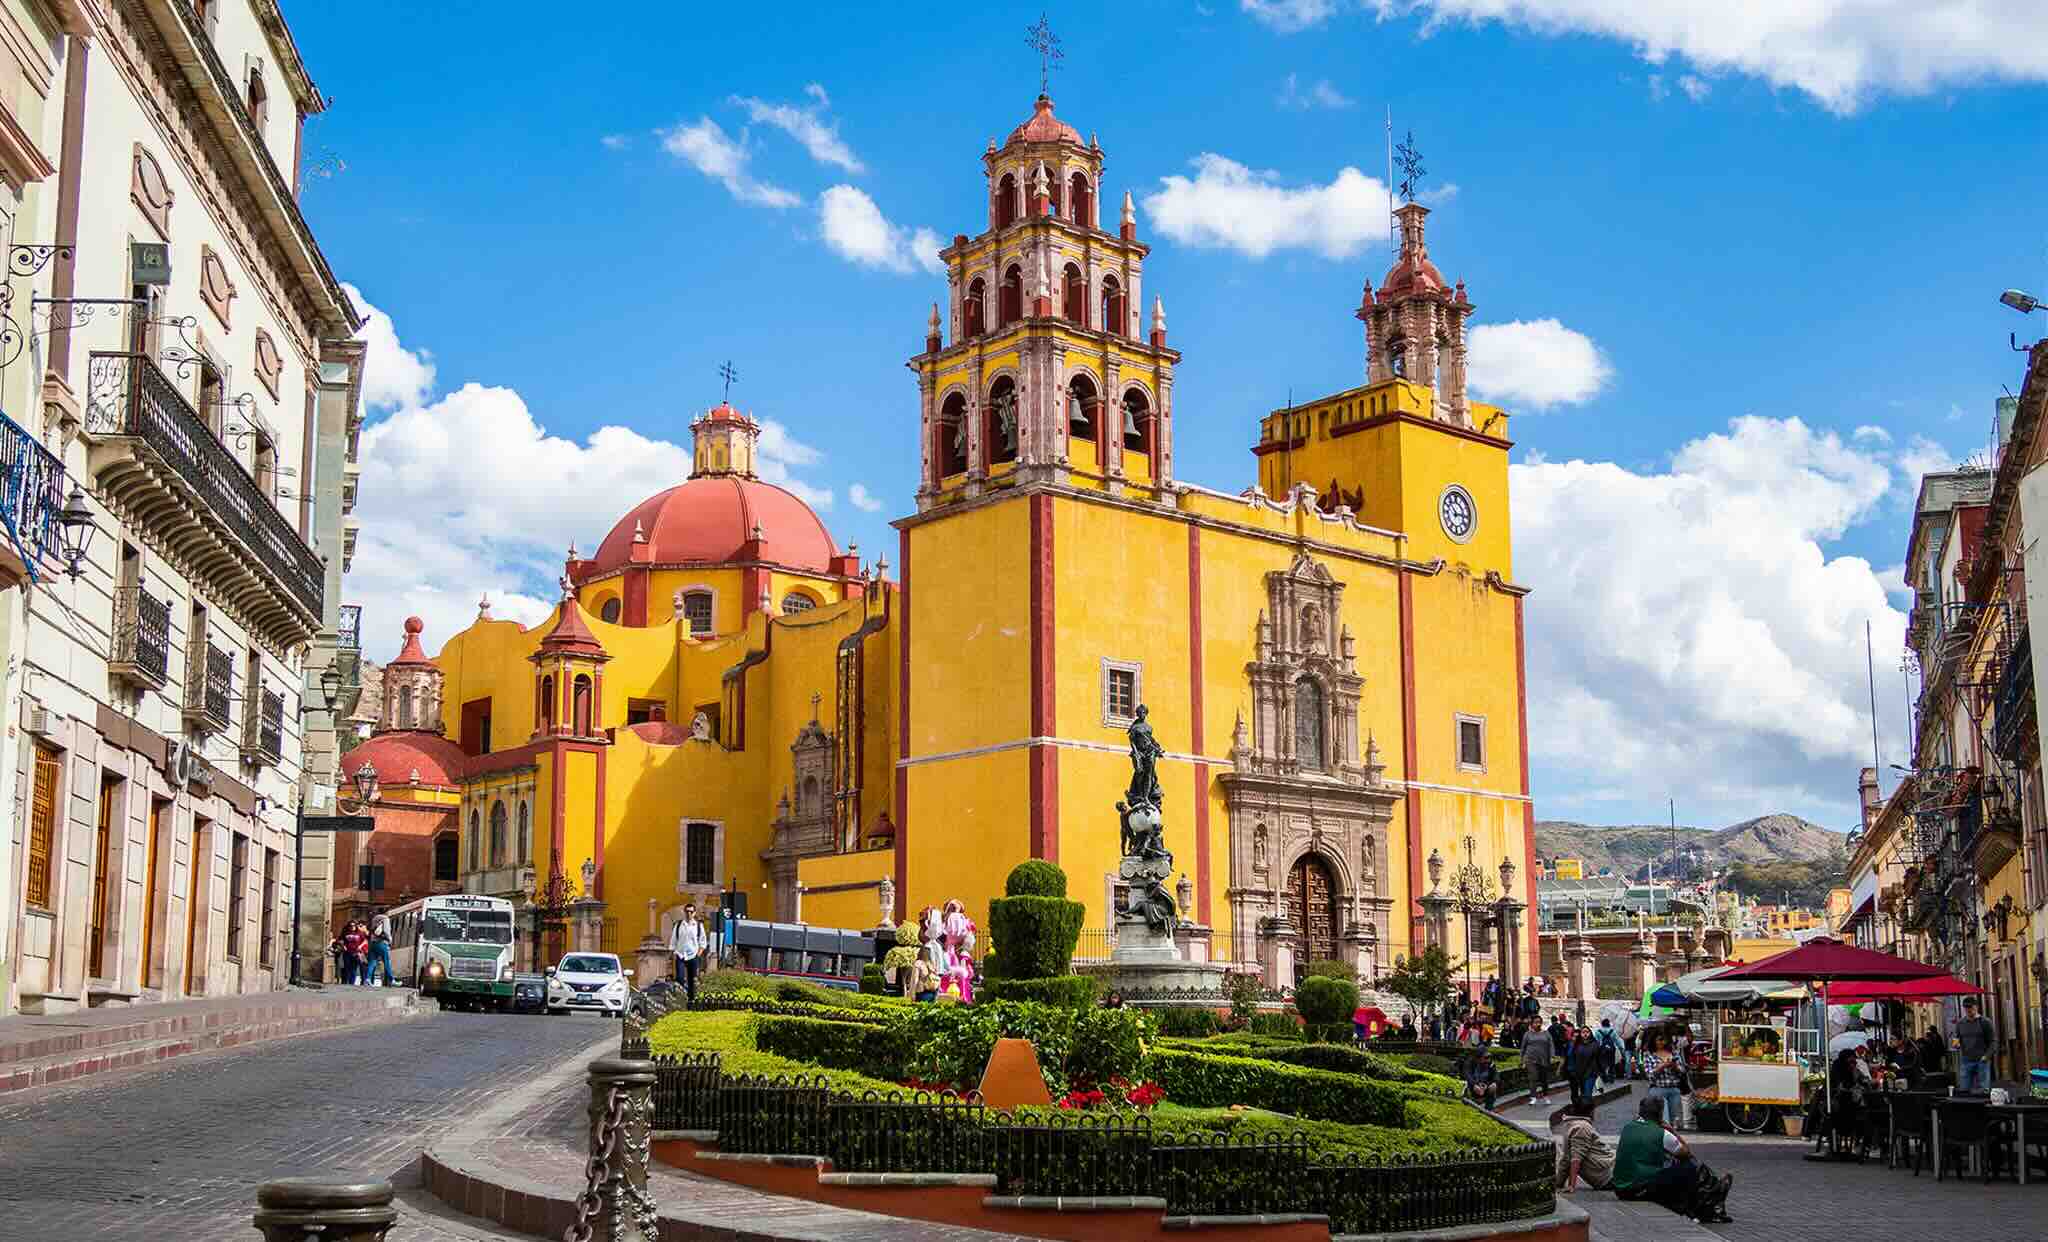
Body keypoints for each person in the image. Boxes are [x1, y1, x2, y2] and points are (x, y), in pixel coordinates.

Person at [1613, 1095, 1733, 1223]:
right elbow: (1687, 1153)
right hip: (1640, 1188)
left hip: (1621, 1188)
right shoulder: (1662, 1134)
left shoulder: (1628, 1128)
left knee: (1678, 1166)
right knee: (1692, 1165)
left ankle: (1712, 1196)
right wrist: (1671, 1130)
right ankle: (1714, 1198)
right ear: (1660, 1114)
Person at [1555, 1098, 1616, 1192]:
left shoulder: (1571, 1124)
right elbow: (1576, 1159)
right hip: (1608, 1176)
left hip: (1607, 1172)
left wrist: (1558, 1183)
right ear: (1591, 1112)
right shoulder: (1582, 1128)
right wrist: (1571, 1185)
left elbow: (1566, 1158)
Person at [1952, 999, 1995, 1093]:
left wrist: (1986, 1056)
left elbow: (1993, 1042)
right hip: (1966, 1060)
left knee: (1983, 1090)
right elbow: (1956, 1038)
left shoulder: (1985, 1022)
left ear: (1976, 1007)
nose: (1968, 1009)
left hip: (1982, 1060)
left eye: (1970, 1007)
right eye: (1966, 1007)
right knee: (1964, 1089)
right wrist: (1956, 1044)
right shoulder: (1960, 1023)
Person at [669, 902, 708, 1004]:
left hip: (693, 956)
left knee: (692, 980)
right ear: (684, 912)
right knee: (680, 979)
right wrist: (673, 954)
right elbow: (673, 941)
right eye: (687, 911)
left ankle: (691, 1001)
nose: (689, 913)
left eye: (691, 911)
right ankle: (680, 999)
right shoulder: (678, 925)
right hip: (680, 955)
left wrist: (698, 955)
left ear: (694, 913)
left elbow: (703, 942)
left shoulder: (698, 926)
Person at [1644, 1036, 1687, 1127]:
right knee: (1663, 1121)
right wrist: (1662, 1066)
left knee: (1673, 1122)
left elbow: (1682, 1071)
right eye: (1659, 1040)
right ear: (1654, 1041)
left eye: (1664, 1039)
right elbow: (1649, 1075)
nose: (1662, 1042)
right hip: (1658, 1090)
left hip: (1674, 1090)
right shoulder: (1649, 1055)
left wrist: (1674, 1066)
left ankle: (1670, 1139)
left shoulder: (1674, 1053)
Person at [1522, 1017, 1556, 1106]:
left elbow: (1551, 1044)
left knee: (1544, 1079)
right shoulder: (1527, 1034)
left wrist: (1552, 1056)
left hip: (1544, 1059)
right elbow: (1523, 1047)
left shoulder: (1546, 1033)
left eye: (1539, 1022)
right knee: (1533, 1077)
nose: (1538, 1024)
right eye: (1536, 1022)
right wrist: (1522, 1060)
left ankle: (1545, 1096)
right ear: (1532, 1024)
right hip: (1531, 1059)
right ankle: (1533, 1097)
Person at [364, 912, 394, 986]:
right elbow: (386, 931)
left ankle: (367, 979)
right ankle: (392, 980)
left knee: (372, 962)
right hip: (382, 943)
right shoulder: (385, 919)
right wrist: (390, 940)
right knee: (387, 962)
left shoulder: (373, 920)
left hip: (372, 943)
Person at [340, 920, 369, 986]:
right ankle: (347, 983)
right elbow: (340, 940)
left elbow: (365, 940)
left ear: (356, 926)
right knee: (348, 968)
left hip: (357, 952)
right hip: (347, 952)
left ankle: (356, 982)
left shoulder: (359, 933)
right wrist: (343, 946)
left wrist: (360, 946)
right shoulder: (345, 932)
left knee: (356, 968)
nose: (352, 927)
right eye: (350, 926)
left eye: (354, 925)